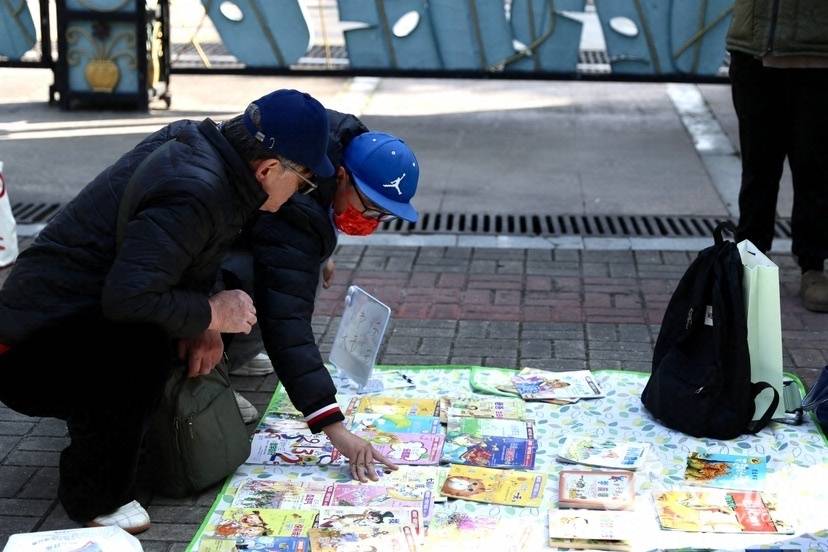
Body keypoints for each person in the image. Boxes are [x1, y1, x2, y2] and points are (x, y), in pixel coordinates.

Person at [0, 89, 333, 533]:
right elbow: (129, 298)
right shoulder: (197, 189)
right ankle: (95, 496)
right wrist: (211, 313)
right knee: (143, 344)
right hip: (28, 347)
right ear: (269, 168)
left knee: (200, 308)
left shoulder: (210, 154)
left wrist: (207, 324)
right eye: (303, 182)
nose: (298, 194)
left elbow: (187, 257)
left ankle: (119, 435)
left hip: (61, 316)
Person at [219, 110, 420, 483]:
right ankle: (212, 373)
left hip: (227, 242)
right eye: (370, 208)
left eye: (384, 215)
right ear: (342, 177)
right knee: (265, 287)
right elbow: (287, 323)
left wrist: (323, 251)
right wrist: (335, 429)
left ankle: (233, 348)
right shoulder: (293, 207)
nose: (372, 221)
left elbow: (316, 221)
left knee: (296, 272)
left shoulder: (339, 146)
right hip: (183, 279)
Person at [726, 0, 828, 311]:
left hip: (818, 56)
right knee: (758, 168)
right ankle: (751, 259)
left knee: (815, 169)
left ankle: (814, 266)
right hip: (752, 49)